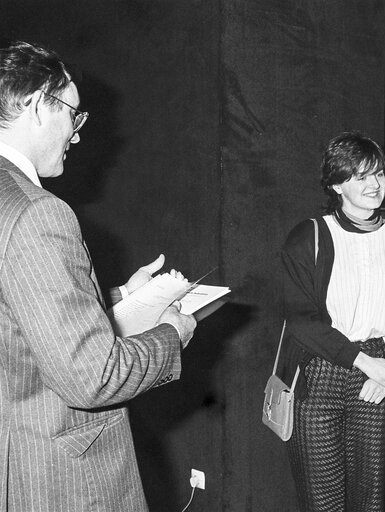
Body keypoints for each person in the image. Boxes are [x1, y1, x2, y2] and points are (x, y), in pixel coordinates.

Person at [0, 41, 197, 512]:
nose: (78, 134)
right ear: (35, 104)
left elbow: (18, 314)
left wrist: (120, 297)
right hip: (59, 477)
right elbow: (92, 378)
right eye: (74, 114)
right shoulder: (38, 213)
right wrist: (173, 334)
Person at [280, 131, 385, 511]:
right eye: (360, 176)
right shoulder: (309, 236)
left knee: (371, 503)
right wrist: (364, 363)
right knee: (322, 504)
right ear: (336, 184)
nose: (374, 185)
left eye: (378, 174)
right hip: (320, 377)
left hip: (382, 373)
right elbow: (300, 320)